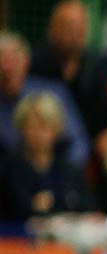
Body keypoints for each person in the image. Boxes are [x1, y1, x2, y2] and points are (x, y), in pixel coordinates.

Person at [0, 32, 89, 169]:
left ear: (26, 61)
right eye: (2, 62)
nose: (7, 69)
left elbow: (79, 144)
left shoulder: (54, 94)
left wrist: (61, 175)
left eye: (13, 60)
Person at [1, 93, 92, 226]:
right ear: (21, 128)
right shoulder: (10, 169)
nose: (37, 133)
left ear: (56, 129)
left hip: (65, 239)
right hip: (17, 241)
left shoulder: (69, 169)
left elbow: (89, 207)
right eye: (32, 126)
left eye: (44, 126)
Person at [29, 0, 107, 141]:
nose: (73, 33)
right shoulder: (35, 64)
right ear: (52, 27)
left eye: (79, 26)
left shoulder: (96, 66)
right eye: (67, 25)